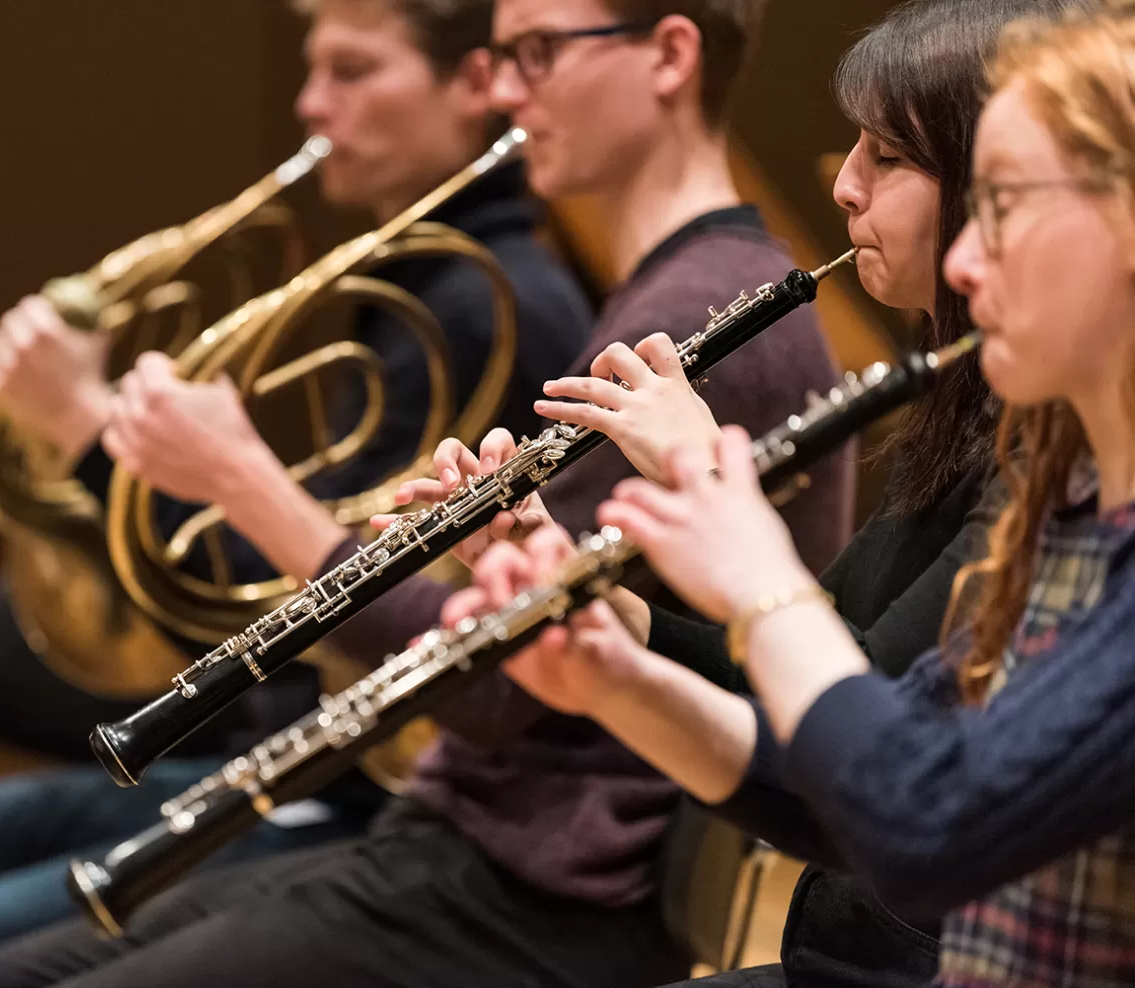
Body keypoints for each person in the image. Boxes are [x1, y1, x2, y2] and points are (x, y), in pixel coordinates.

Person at [0, 2, 850, 987]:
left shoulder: (694, 319)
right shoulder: (666, 293)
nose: (503, 89)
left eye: (537, 53)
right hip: (478, 835)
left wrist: (247, 482)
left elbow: (506, 686)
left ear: (669, 55)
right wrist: (491, 547)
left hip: (543, 885)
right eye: (503, 56)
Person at [0, 3, 593, 988]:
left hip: (363, 783)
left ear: (471, 86)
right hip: (301, 737)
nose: (310, 102)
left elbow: (327, 600)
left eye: (353, 71)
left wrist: (90, 433)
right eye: (311, 68)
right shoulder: (421, 283)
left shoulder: (483, 299)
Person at [465, 4, 1135, 984]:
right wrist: (616, 668)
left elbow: (917, 816)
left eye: (1003, 203)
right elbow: (854, 780)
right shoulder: (1063, 510)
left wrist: (747, 557)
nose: (960, 261)